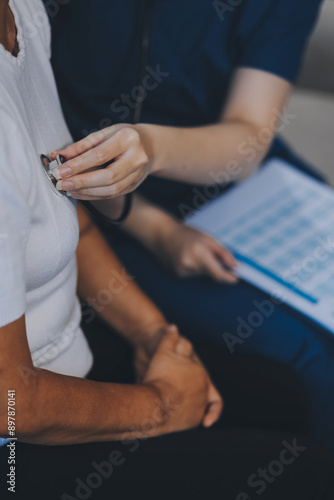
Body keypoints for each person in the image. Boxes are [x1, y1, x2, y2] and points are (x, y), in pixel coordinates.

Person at [2, 1, 334, 499]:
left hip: (188, 180)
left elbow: (61, 199)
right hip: (114, 205)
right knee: (306, 370)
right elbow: (13, 405)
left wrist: (155, 337)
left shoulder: (25, 17)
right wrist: (161, 405)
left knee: (287, 392)